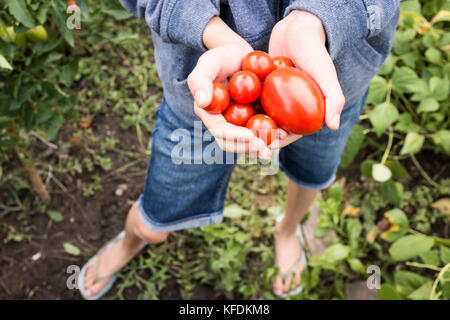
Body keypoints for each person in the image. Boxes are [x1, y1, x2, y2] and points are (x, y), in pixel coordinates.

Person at [78, 0, 400, 299]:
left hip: (329, 74)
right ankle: (136, 237)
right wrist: (211, 30)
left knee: (310, 173)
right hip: (205, 84)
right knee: (155, 221)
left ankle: (288, 230)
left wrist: (315, 20)